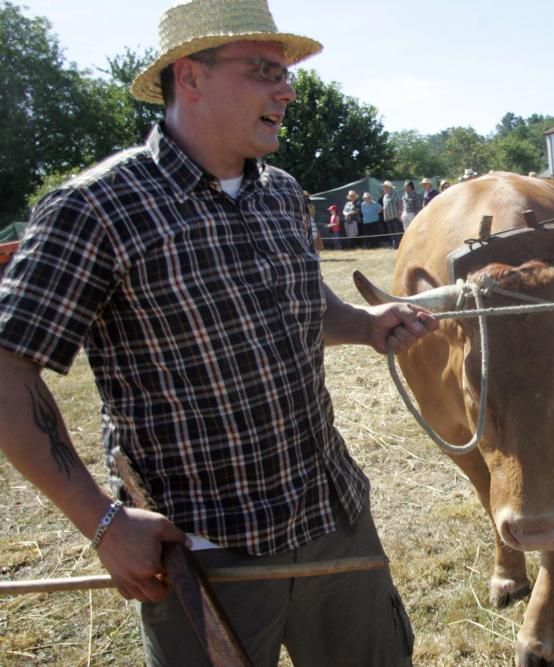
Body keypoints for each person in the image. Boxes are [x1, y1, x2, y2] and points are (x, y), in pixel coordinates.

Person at [0, 1, 437, 665]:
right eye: (263, 70)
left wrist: (368, 325)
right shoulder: (95, 207)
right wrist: (103, 520)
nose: (286, 89)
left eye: (286, 72)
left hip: (332, 514)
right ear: (191, 77)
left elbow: (303, 305)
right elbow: (8, 364)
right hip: (205, 551)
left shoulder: (283, 193)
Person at [380, 180, 403, 248]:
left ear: (389, 187)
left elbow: (399, 203)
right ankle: (394, 244)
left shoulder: (394, 194)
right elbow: (384, 207)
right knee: (391, 232)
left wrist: (399, 213)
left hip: (395, 216)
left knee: (397, 231)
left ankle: (399, 244)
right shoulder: (385, 196)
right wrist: (385, 216)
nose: (384, 188)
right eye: (384, 187)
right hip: (388, 217)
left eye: (385, 187)